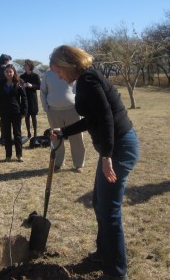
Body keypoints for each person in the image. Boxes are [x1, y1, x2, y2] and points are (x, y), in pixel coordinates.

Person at [48, 45, 139, 280]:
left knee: (109, 211)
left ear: (68, 64)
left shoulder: (88, 79)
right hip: (114, 147)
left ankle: (117, 274)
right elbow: (93, 118)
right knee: (100, 202)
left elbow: (107, 117)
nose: (58, 76)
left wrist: (107, 156)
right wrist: (64, 131)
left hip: (119, 147)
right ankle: (102, 254)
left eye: (58, 71)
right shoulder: (87, 78)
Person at [40, 70, 85, 172]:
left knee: (77, 138)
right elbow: (43, 91)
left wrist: (79, 106)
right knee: (55, 138)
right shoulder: (47, 74)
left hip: (72, 110)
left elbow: (79, 89)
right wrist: (46, 107)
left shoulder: (71, 72)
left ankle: (79, 164)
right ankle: (58, 163)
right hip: (53, 111)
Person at [0, 64, 28, 162]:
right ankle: (8, 156)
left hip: (16, 112)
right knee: (7, 135)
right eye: (7, 71)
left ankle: (19, 155)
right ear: (4, 73)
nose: (9, 73)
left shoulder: (19, 82)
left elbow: (24, 98)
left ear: (14, 72)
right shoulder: (0, 84)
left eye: (10, 71)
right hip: (4, 112)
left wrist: (24, 111)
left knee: (17, 134)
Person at [0, 54, 12, 145]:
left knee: (2, 118)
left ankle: (2, 136)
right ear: (6, 60)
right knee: (9, 118)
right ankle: (6, 137)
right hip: (7, 96)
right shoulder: (6, 69)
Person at [20, 59, 41, 138]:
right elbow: (19, 87)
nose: (24, 66)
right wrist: (23, 86)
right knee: (26, 116)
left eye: (26, 65)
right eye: (24, 65)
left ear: (30, 66)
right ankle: (29, 133)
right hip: (25, 98)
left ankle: (35, 133)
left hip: (32, 98)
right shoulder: (22, 76)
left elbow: (39, 86)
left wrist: (32, 86)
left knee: (33, 116)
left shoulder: (35, 76)